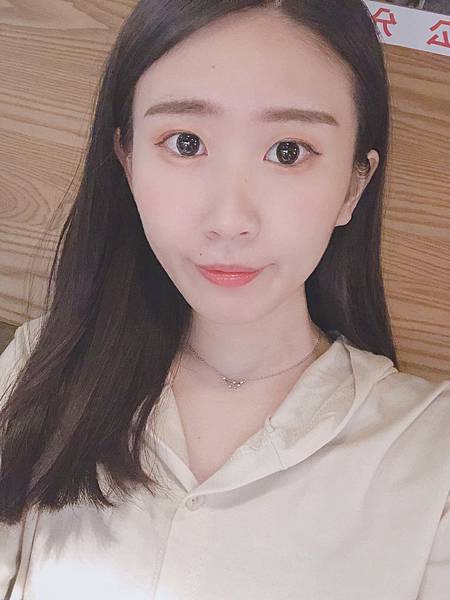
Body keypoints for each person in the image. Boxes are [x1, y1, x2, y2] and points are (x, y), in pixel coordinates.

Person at [0, 1, 449, 598]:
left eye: (288, 151)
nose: (230, 219)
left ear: (353, 185)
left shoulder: (432, 454)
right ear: (127, 160)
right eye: (186, 143)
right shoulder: (41, 368)